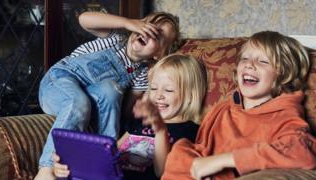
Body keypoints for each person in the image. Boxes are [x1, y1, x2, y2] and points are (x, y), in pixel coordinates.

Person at [35, 11, 179, 180]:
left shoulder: (141, 75)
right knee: (79, 101)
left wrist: (154, 70)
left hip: (90, 100)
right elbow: (84, 19)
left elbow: (123, 111)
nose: (148, 32)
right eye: (147, 25)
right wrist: (127, 22)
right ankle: (46, 168)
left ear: (159, 54)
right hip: (58, 82)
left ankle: (103, 164)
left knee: (112, 90)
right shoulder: (115, 39)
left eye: (157, 35)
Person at [162, 31, 316, 180]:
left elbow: (302, 152)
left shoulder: (284, 115)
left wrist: (227, 160)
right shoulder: (222, 109)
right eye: (245, 59)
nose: (250, 65)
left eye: (263, 61)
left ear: (284, 73)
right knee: (180, 149)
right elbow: (201, 149)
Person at [52, 54, 208, 180]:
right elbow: (112, 152)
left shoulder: (190, 131)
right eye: (153, 88)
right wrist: (75, 160)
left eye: (168, 90)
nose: (158, 95)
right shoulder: (140, 121)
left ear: (190, 95)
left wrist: (160, 129)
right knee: (66, 170)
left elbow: (162, 173)